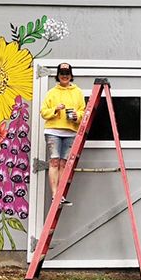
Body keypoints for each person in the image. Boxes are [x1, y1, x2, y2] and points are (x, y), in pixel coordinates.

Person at [40, 62, 85, 205]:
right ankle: (55, 195)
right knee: (54, 161)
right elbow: (43, 112)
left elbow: (84, 112)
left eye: (67, 74)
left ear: (71, 76)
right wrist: (55, 110)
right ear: (58, 76)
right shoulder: (51, 93)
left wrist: (76, 116)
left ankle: (61, 195)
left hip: (70, 131)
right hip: (53, 131)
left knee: (64, 163)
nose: (64, 76)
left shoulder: (78, 92)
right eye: (62, 74)